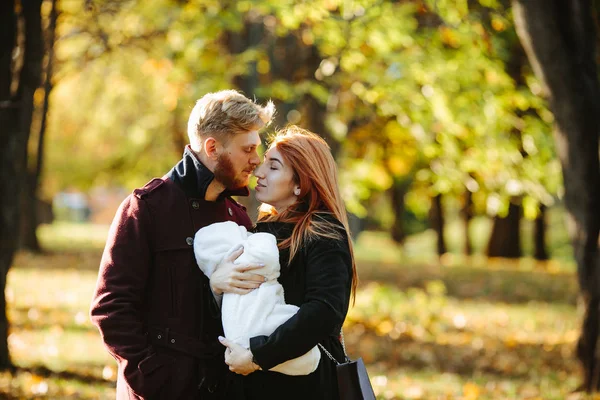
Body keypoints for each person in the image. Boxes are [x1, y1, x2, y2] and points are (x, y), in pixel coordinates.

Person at [90, 90, 274, 400]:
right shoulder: (146, 208)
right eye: (248, 149)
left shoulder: (239, 219)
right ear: (213, 147)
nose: (256, 160)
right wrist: (152, 377)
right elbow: (111, 308)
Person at [218, 125, 359, 400]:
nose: (259, 172)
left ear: (300, 183)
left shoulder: (322, 231)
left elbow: (324, 311)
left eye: (273, 167)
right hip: (255, 380)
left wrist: (259, 355)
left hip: (304, 384)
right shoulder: (264, 229)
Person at [193, 220, 321, 376]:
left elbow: (323, 310)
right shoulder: (254, 237)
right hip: (251, 364)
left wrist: (256, 358)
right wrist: (216, 285)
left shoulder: (321, 229)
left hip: (291, 370)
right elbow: (264, 255)